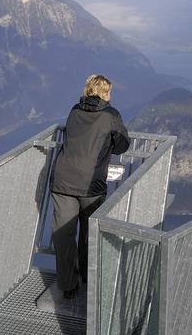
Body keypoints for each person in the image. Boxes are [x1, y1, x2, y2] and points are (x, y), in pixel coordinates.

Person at [50, 74, 130, 299]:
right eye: (109, 91)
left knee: (63, 235)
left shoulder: (74, 110)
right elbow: (122, 144)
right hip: (90, 184)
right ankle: (88, 275)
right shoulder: (110, 115)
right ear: (105, 92)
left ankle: (68, 286)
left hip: (62, 180)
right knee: (90, 233)